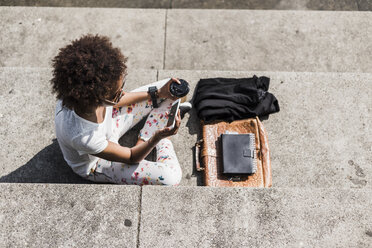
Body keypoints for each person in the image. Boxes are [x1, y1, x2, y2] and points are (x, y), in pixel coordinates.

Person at [51, 34, 190, 186]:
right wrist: (157, 137)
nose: (123, 92)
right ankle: (159, 138)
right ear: (97, 98)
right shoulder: (84, 137)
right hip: (98, 162)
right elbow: (131, 157)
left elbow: (116, 102)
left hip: (109, 123)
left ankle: (148, 135)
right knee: (171, 178)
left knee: (173, 89)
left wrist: (157, 93)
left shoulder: (79, 93)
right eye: (117, 92)